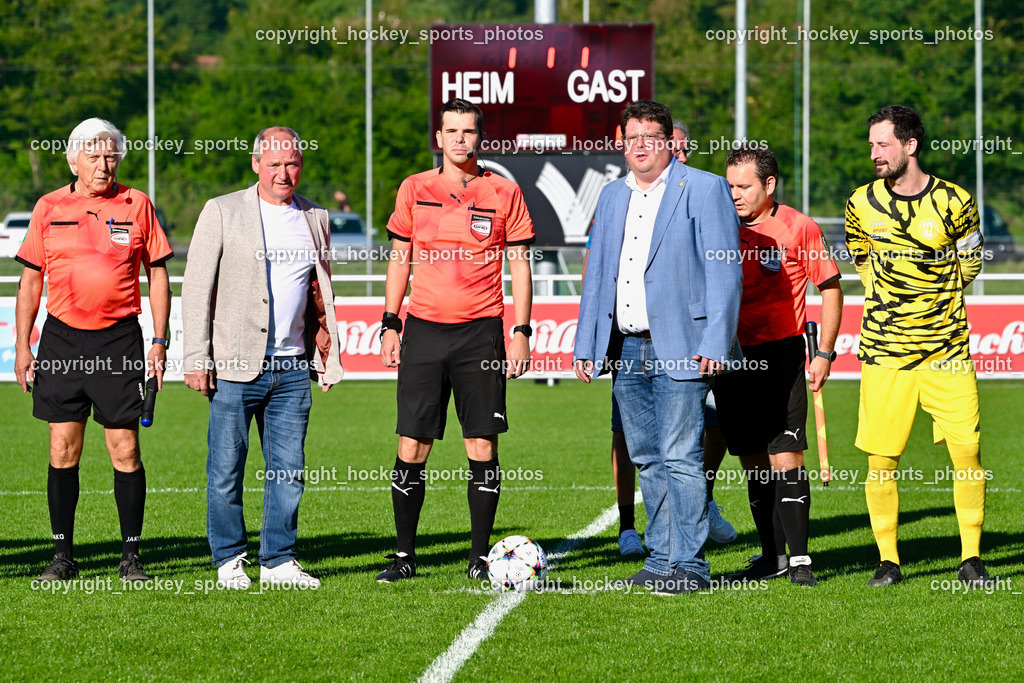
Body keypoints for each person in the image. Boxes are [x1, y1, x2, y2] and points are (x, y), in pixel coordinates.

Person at [574, 100, 742, 594]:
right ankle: (662, 556)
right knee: (647, 456)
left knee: (681, 456)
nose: (641, 146)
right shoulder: (609, 197)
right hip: (625, 348)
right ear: (620, 143)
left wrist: (716, 341)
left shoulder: (705, 188)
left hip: (684, 346)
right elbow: (599, 276)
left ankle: (690, 564)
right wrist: (587, 345)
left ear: (669, 142)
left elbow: (725, 272)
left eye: (651, 136)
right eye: (633, 137)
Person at [376, 98, 535, 583]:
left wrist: (522, 333)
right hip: (422, 330)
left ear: (479, 138)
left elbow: (521, 266)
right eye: (452, 131)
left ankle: (479, 557)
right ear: (438, 138)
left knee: (481, 446)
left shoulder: (504, 192)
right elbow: (399, 259)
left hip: (480, 334)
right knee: (412, 445)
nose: (460, 138)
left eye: (469, 130)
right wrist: (390, 322)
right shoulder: (414, 188)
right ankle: (404, 558)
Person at [182, 126, 344, 589]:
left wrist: (325, 353)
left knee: (289, 471)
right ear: (256, 164)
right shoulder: (222, 211)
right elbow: (196, 288)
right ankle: (229, 558)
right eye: (273, 164)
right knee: (225, 471)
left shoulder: (316, 217)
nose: (283, 172)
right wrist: (197, 356)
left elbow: (319, 293)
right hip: (234, 365)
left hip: (292, 368)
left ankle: (278, 561)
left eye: (291, 163)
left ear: (301, 164)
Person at [14, 117, 172, 583]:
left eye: (111, 156)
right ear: (73, 159)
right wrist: (23, 347)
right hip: (62, 339)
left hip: (119, 339)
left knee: (125, 449)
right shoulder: (48, 206)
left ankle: (131, 557)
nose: (104, 166)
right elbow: (31, 280)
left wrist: (159, 340)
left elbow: (157, 273)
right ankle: (63, 557)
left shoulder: (136, 203)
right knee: (63, 449)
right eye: (95, 156)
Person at [845, 105, 991, 587]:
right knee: (882, 459)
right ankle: (888, 560)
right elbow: (862, 263)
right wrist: (892, 308)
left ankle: (970, 556)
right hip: (886, 353)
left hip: (946, 351)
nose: (874, 154)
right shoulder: (860, 203)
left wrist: (936, 302)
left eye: (883, 144)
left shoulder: (955, 200)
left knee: (967, 450)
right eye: (871, 145)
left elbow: (971, 263)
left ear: (910, 145)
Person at [714, 143, 843, 587]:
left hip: (781, 356)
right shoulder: (718, 224)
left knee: (785, 455)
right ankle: (772, 557)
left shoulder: (797, 226)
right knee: (752, 461)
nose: (734, 194)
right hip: (730, 357)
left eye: (744, 186)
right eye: (729, 185)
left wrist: (824, 353)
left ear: (769, 185)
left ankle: (802, 560)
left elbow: (830, 287)